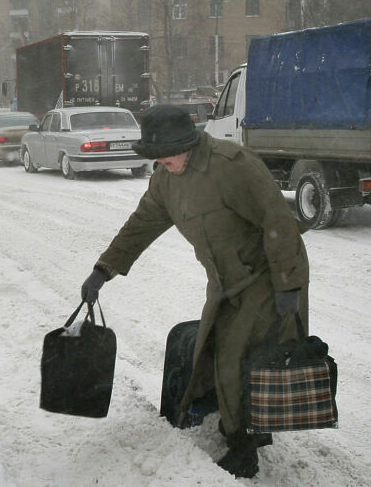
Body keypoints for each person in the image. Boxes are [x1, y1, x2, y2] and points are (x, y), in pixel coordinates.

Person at [80, 105, 310, 478]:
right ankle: (247, 420)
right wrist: (103, 268)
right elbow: (141, 224)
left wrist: (288, 284)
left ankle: (243, 447)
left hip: (267, 274)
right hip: (224, 280)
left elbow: (278, 222)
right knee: (218, 349)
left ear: (187, 143)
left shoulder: (231, 166)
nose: (160, 162)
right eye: (153, 155)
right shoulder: (167, 177)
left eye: (165, 154)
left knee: (238, 355)